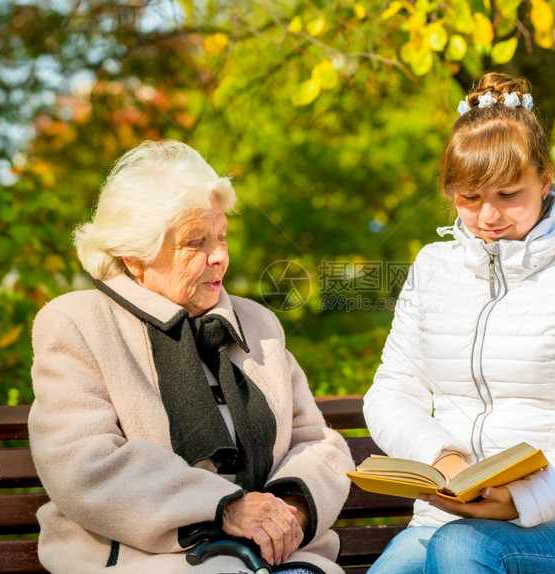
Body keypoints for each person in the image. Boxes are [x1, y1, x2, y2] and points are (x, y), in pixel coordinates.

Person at [362, 72, 555, 573]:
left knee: (463, 551)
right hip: (441, 520)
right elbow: (390, 394)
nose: (488, 216)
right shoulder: (432, 267)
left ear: (545, 178)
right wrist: (445, 460)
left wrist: (524, 499)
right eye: (468, 198)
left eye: (507, 194)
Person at [28, 139, 354, 574]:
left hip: (276, 561)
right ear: (134, 256)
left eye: (220, 236)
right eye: (195, 242)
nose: (219, 256)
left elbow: (317, 442)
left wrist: (289, 509)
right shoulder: (77, 323)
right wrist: (223, 507)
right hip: (145, 563)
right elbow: (84, 464)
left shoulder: (257, 324)